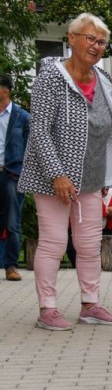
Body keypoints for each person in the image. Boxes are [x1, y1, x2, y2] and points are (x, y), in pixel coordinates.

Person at [18, 13, 112, 330]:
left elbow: (108, 130)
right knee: (54, 243)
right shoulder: (50, 78)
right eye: (90, 38)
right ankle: (48, 308)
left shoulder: (105, 81)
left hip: (91, 177)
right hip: (50, 177)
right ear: (71, 38)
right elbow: (40, 130)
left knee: (88, 245)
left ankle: (90, 305)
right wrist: (57, 174)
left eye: (101, 42)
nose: (96, 46)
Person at [1, 73, 30, 282]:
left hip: (12, 174)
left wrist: (25, 174)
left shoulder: (22, 116)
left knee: (12, 222)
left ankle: (11, 266)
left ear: (5, 90)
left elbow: (31, 149)